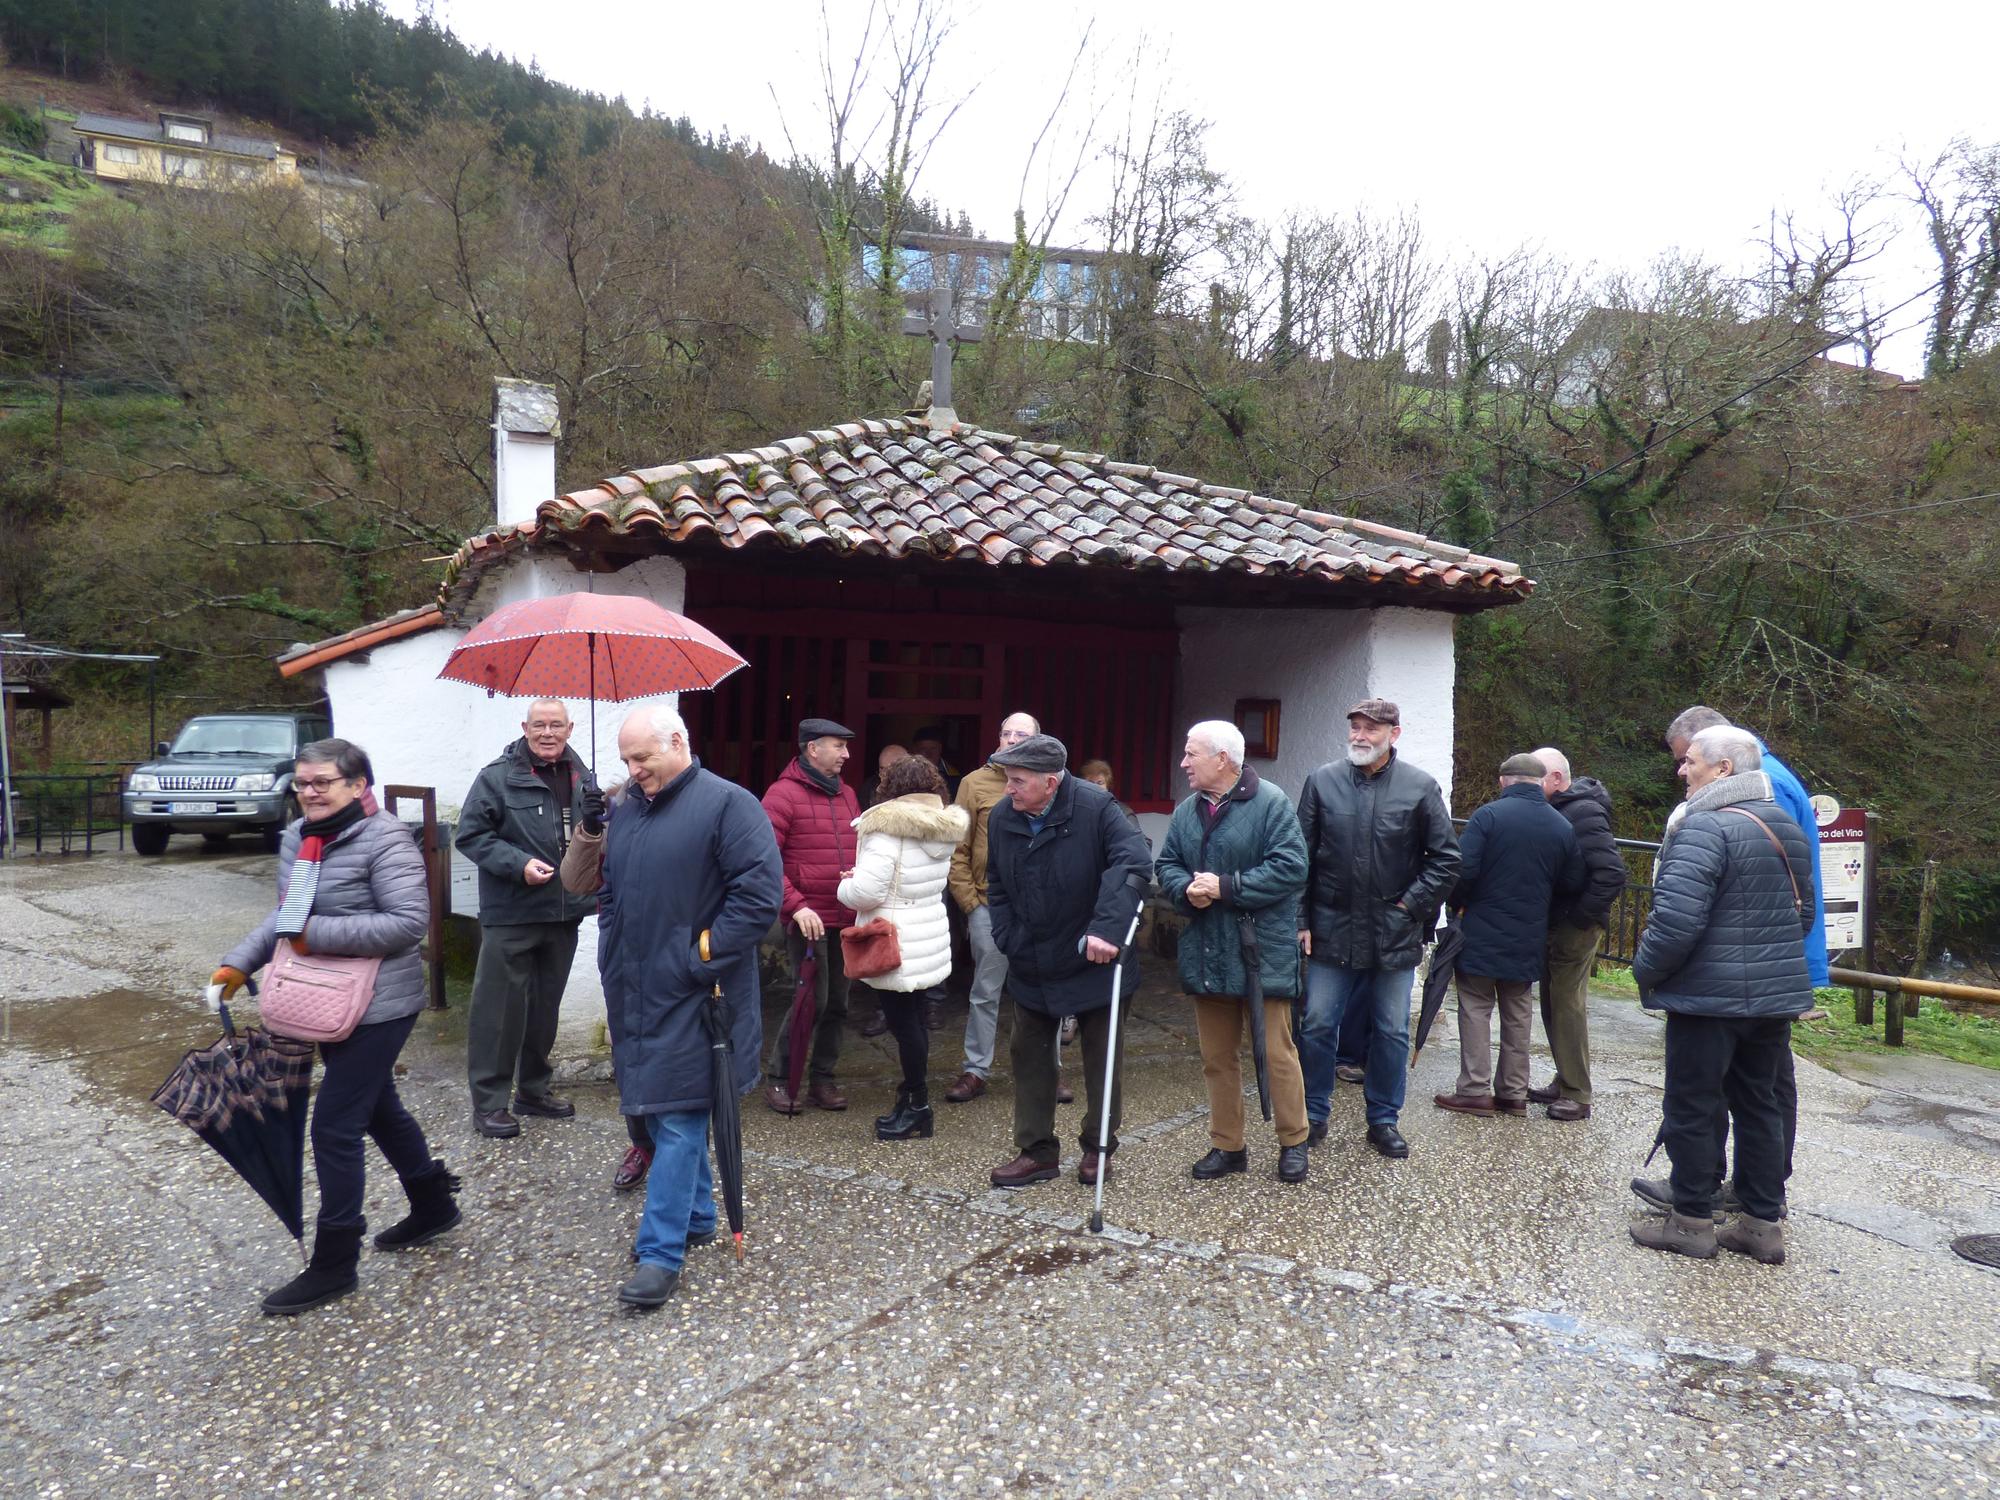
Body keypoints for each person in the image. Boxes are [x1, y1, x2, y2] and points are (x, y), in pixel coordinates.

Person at [212, 738, 456, 1316]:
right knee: (377, 1108)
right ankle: (433, 1204)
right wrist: (241, 961)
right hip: (322, 998)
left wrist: (312, 936)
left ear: (358, 786)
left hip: (380, 1004)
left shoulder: (387, 839)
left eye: (323, 782)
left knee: (335, 1125)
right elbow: (285, 916)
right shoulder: (300, 837)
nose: (311, 792)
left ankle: (335, 1262)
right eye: (302, 783)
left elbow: (407, 924)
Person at [561, 705, 782, 1308]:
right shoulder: (627, 808)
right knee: (657, 1111)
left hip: (698, 993)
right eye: (627, 760)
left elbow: (758, 899)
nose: (634, 771)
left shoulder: (731, 805)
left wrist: (698, 958)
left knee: (681, 1116)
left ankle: (661, 1252)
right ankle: (700, 1216)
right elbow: (600, 888)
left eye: (643, 759)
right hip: (635, 986)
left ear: (679, 742)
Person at [1629, 725, 1812, 1265]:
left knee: (1692, 1106)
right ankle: (1761, 1226)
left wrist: (1645, 973)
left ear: (1724, 769)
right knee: (1761, 1106)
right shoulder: (1789, 829)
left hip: (1708, 1001)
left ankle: (1690, 1222)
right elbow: (1800, 917)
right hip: (1774, 1000)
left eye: (1690, 762)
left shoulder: (1703, 828)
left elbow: (1676, 923)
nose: (1681, 770)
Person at [983, 734, 1152, 1188]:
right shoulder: (1004, 818)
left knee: (1102, 1059)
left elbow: (1134, 865)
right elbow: (995, 883)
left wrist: (1107, 930)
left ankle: (1099, 1148)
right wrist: (1007, 936)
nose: (1008, 790)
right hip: (1032, 955)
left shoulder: (1097, 809)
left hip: (1095, 955)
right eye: (1007, 780)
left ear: (1051, 782)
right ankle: (1036, 1151)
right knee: (1029, 1054)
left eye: (1017, 781)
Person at [1295, 699, 1460, 1159]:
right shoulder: (1322, 782)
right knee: (1317, 1024)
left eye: (1371, 728)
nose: (1360, 736)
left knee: (1390, 1029)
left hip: (1394, 931)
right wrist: (1301, 920)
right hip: (1330, 927)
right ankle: (1313, 1112)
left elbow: (1447, 860)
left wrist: (1409, 906)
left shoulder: (1419, 787)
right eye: (1355, 728)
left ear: (1394, 734)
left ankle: (1384, 1119)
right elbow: (1299, 858)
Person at [1156, 721, 1313, 1183]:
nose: (1183, 762)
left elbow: (1291, 868)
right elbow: (1167, 864)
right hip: (1208, 947)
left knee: (1277, 1052)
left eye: (1191, 754)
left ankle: (1294, 1141)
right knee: (1217, 1056)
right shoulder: (1187, 810)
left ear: (1221, 759)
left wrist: (1226, 887)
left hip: (1260, 950)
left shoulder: (1271, 803)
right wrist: (1187, 888)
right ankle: (1228, 1146)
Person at [456, 699, 599, 1139]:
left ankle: (533, 1091)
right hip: (513, 913)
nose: (548, 732)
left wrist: (597, 815)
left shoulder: (583, 777)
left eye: (556, 725)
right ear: (525, 727)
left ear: (570, 728)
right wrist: (518, 864)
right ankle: (490, 1103)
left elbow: (590, 837)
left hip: (564, 911)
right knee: (499, 1012)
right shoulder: (496, 777)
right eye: (540, 725)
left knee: (543, 1010)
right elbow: (471, 835)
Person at [1434, 754, 1584, 1118]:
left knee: (1475, 1008)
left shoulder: (1488, 817)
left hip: (1481, 930)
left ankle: (1473, 1090)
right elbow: (1573, 881)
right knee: (1518, 1013)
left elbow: (1462, 871)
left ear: (1504, 781)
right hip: (1529, 934)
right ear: (1539, 782)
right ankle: (1513, 1094)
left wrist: (1458, 906)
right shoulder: (1560, 825)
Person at [837, 754, 969, 1141]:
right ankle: (912, 1100)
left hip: (894, 938)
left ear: (891, 786)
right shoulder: (943, 827)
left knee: (903, 1026)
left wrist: (845, 884)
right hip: (926, 934)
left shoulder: (884, 829)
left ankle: (917, 1107)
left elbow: (867, 891)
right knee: (916, 1021)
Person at [762, 718, 862, 1115]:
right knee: (811, 1002)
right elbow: (766, 861)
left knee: (838, 1003)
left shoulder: (849, 795)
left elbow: (861, 847)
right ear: (811, 748)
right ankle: (781, 1079)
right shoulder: (781, 795)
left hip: (846, 916)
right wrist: (796, 905)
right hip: (807, 916)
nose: (846, 754)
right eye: (838, 746)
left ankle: (823, 1079)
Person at [944, 711, 1041, 1104]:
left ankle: (1042, 1069)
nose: (1012, 739)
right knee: (986, 990)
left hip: (1038, 907)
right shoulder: (974, 783)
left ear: (1037, 740)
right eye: (1006, 733)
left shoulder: (1049, 780)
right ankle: (975, 1069)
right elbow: (956, 846)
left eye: (1022, 734)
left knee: (1039, 989)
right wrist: (969, 904)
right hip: (988, 905)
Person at [1528, 747, 1628, 1121]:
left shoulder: (1582, 811)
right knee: (1554, 1003)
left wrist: (1579, 917)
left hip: (1574, 925)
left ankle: (1577, 1093)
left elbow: (1611, 872)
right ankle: (1565, 1080)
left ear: (1556, 779)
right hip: (1560, 920)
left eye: (1538, 778)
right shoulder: (1564, 808)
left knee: (1567, 1004)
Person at [1077, 759, 1142, 832]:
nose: (1094, 787)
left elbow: (1140, 841)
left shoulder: (1123, 812)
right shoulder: (1074, 810)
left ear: (1108, 786)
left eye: (1100, 783)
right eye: (1090, 783)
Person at [864, 744, 911, 809]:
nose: (885, 774)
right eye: (882, 769)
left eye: (890, 769)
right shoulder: (868, 788)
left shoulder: (917, 790)